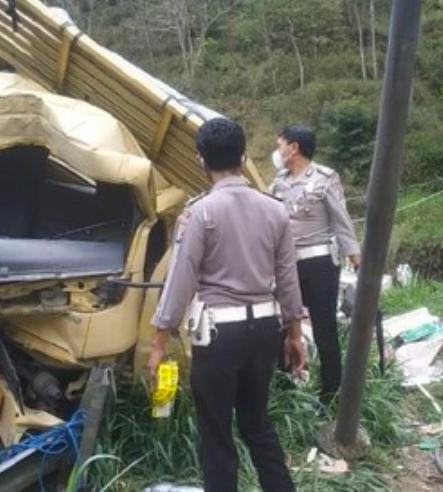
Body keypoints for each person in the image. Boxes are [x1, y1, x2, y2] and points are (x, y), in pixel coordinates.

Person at [148, 117, 307, 492]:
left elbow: (180, 281)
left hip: (219, 336)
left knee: (216, 434)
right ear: (244, 155)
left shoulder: (200, 213)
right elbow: (287, 279)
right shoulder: (275, 210)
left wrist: (158, 342)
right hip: (266, 332)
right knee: (257, 425)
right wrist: (295, 334)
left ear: (201, 159)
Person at [270, 125, 361, 406]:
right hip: (286, 265)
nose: (278, 149)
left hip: (320, 263)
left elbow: (341, 219)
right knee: (283, 326)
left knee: (324, 329)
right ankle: (286, 392)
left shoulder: (325, 178)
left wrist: (354, 253)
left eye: (281, 144)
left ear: (293, 147)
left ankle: (331, 398)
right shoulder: (278, 182)